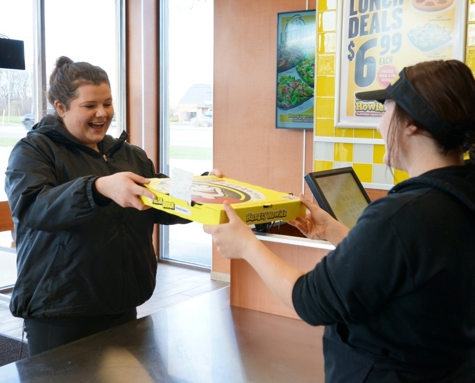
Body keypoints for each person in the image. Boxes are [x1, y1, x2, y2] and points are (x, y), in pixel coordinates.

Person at [204, 59, 475, 382]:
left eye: (385, 110)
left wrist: (247, 246)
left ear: (411, 123)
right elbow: (408, 265)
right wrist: (335, 231)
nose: (379, 125)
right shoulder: (457, 197)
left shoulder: (400, 215)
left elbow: (310, 300)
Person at [5, 56, 222, 356]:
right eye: (90, 105)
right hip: (60, 312)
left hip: (123, 303)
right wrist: (97, 188)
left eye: (107, 103)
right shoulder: (33, 151)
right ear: (60, 107)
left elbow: (160, 200)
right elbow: (34, 207)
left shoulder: (129, 154)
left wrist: (202, 189)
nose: (102, 113)